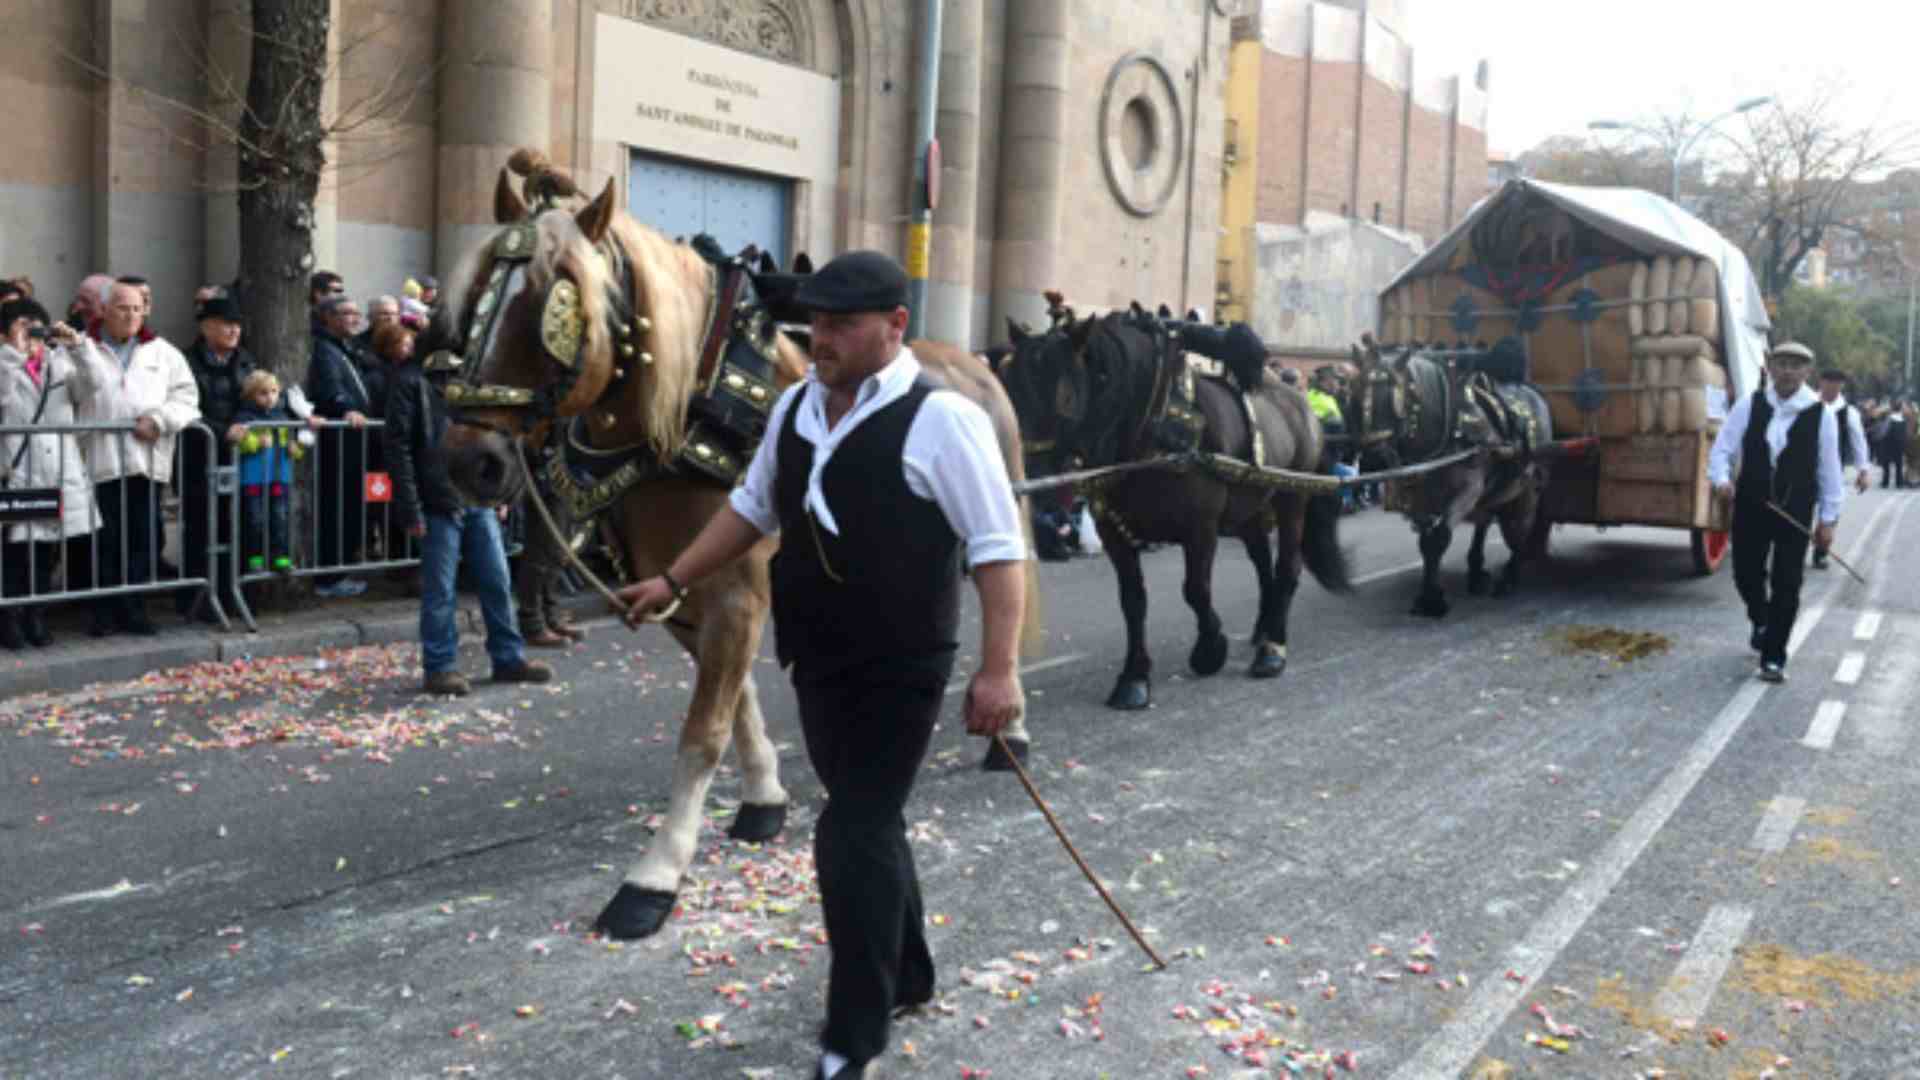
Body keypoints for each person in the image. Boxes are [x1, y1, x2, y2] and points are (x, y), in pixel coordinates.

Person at [614, 251, 1027, 1080]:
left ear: (895, 326)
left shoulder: (944, 420)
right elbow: (750, 506)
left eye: (843, 324)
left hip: (904, 658)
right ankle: (908, 974)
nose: (823, 338)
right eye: (816, 323)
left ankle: (855, 1032)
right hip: (819, 655)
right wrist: (672, 578)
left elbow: (996, 550)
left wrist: (1000, 671)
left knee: (851, 829)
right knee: (864, 815)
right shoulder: (797, 407)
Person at [385, 332, 552, 696]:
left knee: (496, 580)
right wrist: (411, 508)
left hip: (476, 499)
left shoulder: (473, 379)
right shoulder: (411, 382)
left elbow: (497, 437)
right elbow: (398, 449)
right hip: (438, 501)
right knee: (441, 589)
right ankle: (440, 667)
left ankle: (508, 658)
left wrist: (502, 489)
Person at [1709, 342, 1844, 683]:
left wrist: (1828, 520)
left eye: (1796, 366)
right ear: (1769, 366)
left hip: (1795, 512)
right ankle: (1760, 616)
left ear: (1807, 372)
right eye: (1782, 363)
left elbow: (1830, 471)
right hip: (1752, 507)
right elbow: (1722, 448)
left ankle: (1774, 656)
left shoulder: (1820, 414)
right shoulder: (1749, 404)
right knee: (1745, 574)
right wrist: (1722, 480)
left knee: (1788, 582)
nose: (1787, 371)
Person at [73, 281, 200, 637]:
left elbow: (187, 399)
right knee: (103, 540)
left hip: (146, 461)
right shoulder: (83, 348)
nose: (130, 315)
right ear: (103, 310)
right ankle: (102, 611)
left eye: (136, 308)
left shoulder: (164, 353)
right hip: (97, 460)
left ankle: (134, 609)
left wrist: (159, 421)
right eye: (121, 308)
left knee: (143, 539)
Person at [0, 301, 111, 648]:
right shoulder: (5, 366)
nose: (31, 335)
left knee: (45, 552)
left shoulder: (58, 365)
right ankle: (9, 619)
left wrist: (77, 345)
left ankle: (36, 615)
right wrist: (13, 355)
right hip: (17, 472)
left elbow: (94, 383)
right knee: (13, 553)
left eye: (37, 327)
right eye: (23, 326)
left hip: (54, 473)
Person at [178, 295, 256, 620]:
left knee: (235, 524)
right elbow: (186, 406)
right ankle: (198, 596)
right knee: (200, 526)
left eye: (237, 324)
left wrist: (245, 423)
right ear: (207, 326)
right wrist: (223, 431)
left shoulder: (246, 360)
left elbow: (254, 398)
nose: (233, 330)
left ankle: (231, 591)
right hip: (199, 456)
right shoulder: (187, 361)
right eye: (226, 324)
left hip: (237, 458)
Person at [305, 295, 373, 596]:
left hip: (355, 441)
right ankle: (330, 576)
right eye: (348, 313)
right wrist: (345, 408)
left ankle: (341, 569)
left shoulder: (347, 349)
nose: (355, 319)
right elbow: (330, 388)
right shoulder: (324, 349)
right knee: (337, 507)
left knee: (352, 506)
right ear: (328, 318)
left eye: (357, 313)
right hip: (338, 442)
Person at [230, 370, 313, 575]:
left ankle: (281, 558)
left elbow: (289, 446)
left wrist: (297, 449)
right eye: (263, 393)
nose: (270, 397)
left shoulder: (282, 416)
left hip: (279, 476)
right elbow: (236, 443)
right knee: (254, 519)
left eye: (274, 392)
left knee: (280, 516)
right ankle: (255, 559)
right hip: (253, 478)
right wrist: (255, 442)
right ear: (251, 395)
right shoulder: (245, 416)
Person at [1810, 369, 1872, 570]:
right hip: (1804, 469)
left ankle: (1820, 552)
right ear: (1821, 382)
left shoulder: (1849, 413)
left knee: (1829, 516)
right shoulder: (1807, 403)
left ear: (1841, 386)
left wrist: (1863, 471)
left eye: (1837, 383)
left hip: (1833, 472)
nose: (1832, 386)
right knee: (1800, 512)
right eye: (1828, 382)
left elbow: (1858, 441)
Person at [1881, 399, 1908, 489]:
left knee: (1886, 464)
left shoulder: (1889, 419)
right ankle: (1899, 482)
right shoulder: (1903, 419)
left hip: (1888, 444)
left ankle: (1885, 482)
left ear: (1892, 408)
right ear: (1900, 408)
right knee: (1899, 464)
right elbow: (1905, 433)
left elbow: (1883, 432)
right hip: (1899, 445)